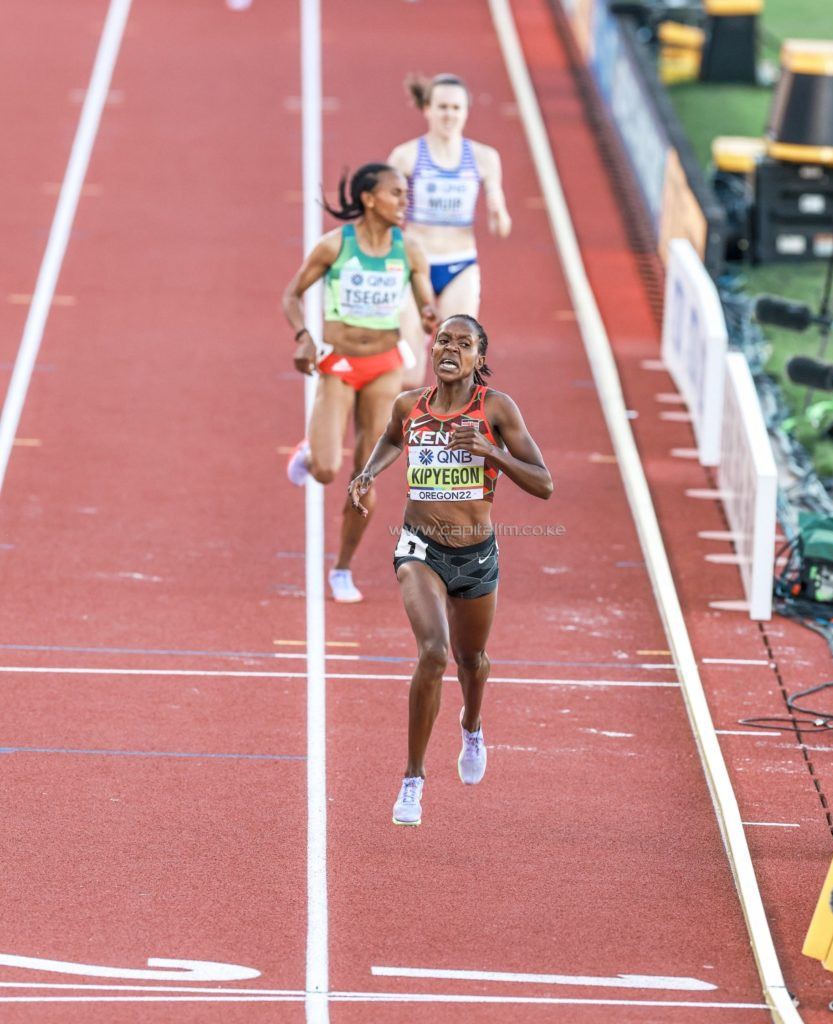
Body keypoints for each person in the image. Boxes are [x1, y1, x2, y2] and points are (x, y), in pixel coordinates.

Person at [348, 314, 553, 825]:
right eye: (443, 340)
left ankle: (472, 724)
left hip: (476, 555)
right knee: (434, 652)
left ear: (479, 358)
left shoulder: (496, 408)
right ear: (432, 348)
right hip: (419, 548)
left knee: (472, 660)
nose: (450, 349)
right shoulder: (408, 405)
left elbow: (544, 483)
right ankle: (413, 779)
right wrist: (368, 472)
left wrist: (490, 451)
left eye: (464, 344)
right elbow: (392, 439)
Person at [282, 163, 437, 603]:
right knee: (327, 469)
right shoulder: (335, 246)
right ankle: (311, 452)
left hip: (385, 367)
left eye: (405, 194)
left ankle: (343, 568)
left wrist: (430, 315)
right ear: (369, 199)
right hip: (340, 365)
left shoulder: (410, 251)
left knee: (365, 477)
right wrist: (303, 336)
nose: (404, 201)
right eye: (395, 193)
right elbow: (291, 295)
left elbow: (426, 300)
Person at [387, 73, 512, 388]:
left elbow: (502, 228)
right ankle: (404, 420)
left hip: (460, 265)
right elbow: (384, 211)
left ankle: (450, 421)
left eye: (456, 108)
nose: (449, 115)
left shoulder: (484, 158)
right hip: (415, 267)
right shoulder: (406, 156)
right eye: (442, 107)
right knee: (409, 372)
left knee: (458, 366)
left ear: (466, 111)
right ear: (427, 109)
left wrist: (497, 212)